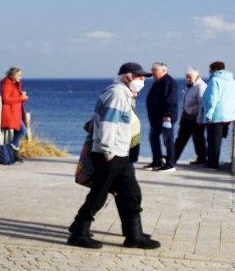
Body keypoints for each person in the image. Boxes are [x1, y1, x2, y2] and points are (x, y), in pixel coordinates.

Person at [68, 62, 161, 250]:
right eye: (138, 77)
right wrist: (108, 151)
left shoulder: (124, 94)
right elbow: (108, 124)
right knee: (99, 195)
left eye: (143, 77)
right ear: (126, 77)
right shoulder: (117, 94)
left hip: (119, 153)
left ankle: (134, 235)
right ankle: (79, 232)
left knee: (130, 193)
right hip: (109, 154)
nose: (142, 81)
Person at [201, 61, 235, 170]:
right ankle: (212, 161)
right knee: (218, 139)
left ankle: (212, 163)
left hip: (216, 115)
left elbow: (212, 99)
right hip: (229, 115)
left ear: (214, 70)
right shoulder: (232, 80)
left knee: (213, 140)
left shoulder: (214, 80)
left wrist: (208, 114)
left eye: (210, 70)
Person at [144, 62, 180, 170]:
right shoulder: (158, 82)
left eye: (155, 71)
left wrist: (168, 115)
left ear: (163, 71)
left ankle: (170, 163)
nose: (152, 73)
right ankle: (157, 161)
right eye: (152, 70)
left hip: (165, 117)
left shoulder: (169, 82)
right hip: (156, 118)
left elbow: (171, 100)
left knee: (167, 140)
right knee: (153, 138)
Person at [175, 67, 207, 165]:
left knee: (198, 139)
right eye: (186, 77)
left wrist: (199, 120)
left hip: (195, 118)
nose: (187, 79)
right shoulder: (190, 86)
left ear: (196, 76)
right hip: (186, 117)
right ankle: (172, 157)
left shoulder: (201, 86)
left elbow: (202, 105)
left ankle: (201, 158)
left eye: (189, 77)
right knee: (180, 138)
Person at [0, 67, 29, 162]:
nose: (21, 77)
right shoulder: (6, 84)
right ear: (13, 75)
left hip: (16, 113)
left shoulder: (15, 84)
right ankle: (13, 148)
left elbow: (15, 97)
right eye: (19, 75)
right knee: (23, 131)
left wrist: (22, 97)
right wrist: (21, 98)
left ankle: (15, 154)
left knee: (19, 131)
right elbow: (6, 99)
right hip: (11, 113)